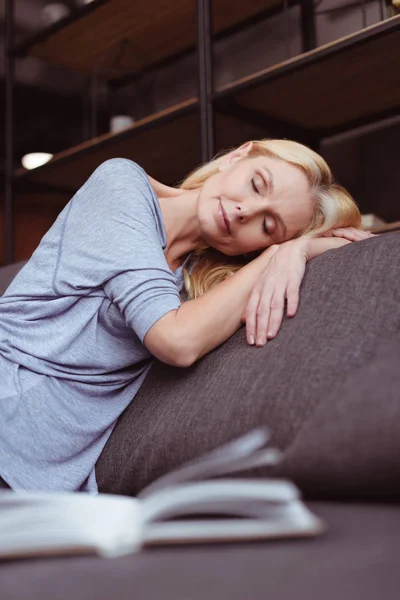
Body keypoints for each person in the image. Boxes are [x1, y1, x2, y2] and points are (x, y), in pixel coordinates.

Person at [0, 139, 372, 494]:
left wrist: (300, 248)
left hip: (37, 477)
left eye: (268, 226)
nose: (246, 210)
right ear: (237, 156)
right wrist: (280, 253)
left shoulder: (200, 285)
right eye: (257, 184)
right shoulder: (119, 186)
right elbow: (176, 340)